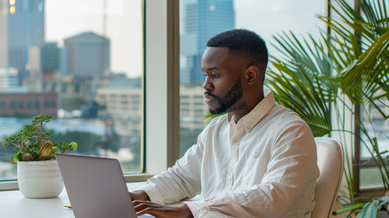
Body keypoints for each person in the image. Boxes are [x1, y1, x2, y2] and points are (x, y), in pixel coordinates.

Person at [130, 29, 319, 218]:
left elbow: (273, 198)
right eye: (204, 75)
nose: (205, 85)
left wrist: (190, 210)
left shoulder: (291, 131)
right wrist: (141, 195)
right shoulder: (216, 130)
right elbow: (182, 177)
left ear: (250, 75)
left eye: (215, 75)